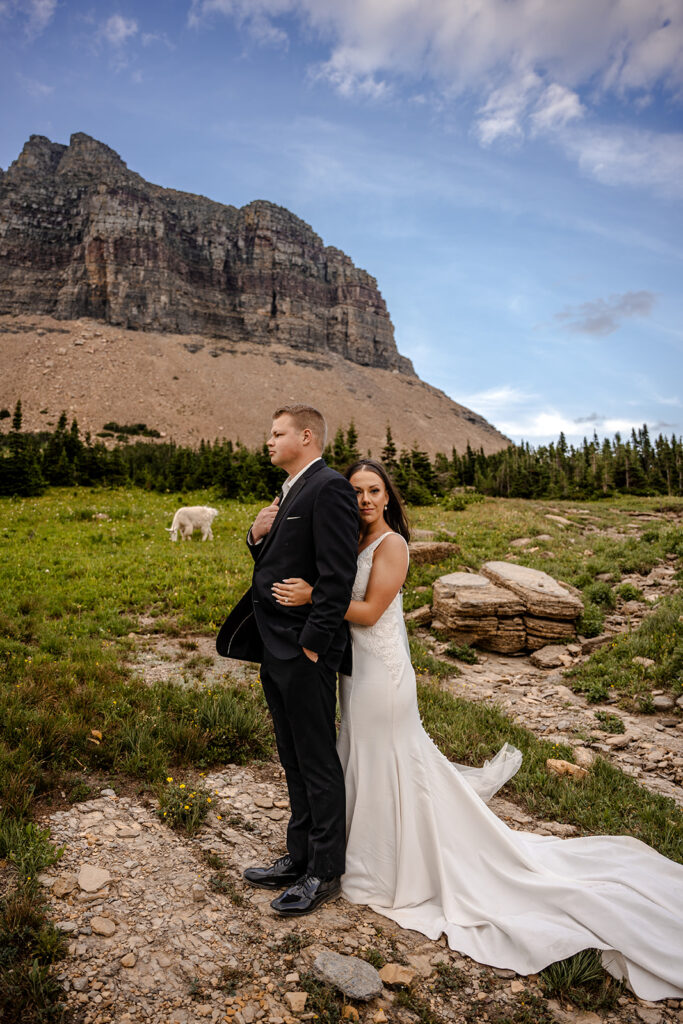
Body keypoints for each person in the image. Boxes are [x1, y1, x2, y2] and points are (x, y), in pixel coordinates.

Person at [273, 458, 683, 1001]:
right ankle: (359, 850)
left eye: (375, 491)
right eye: (356, 491)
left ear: (390, 498)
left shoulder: (392, 545)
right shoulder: (347, 541)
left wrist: (313, 600)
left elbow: (371, 612)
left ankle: (395, 863)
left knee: (389, 756)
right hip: (357, 674)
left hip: (385, 676)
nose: (366, 499)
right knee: (362, 754)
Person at [216, 405, 359, 916]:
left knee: (317, 761)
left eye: (277, 433)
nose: (268, 441)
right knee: (291, 756)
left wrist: (314, 643)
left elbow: (337, 576)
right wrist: (256, 536)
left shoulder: (330, 488)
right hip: (275, 648)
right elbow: (282, 562)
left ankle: (324, 871)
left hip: (303, 649)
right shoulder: (289, 491)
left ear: (306, 435)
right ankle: (297, 856)